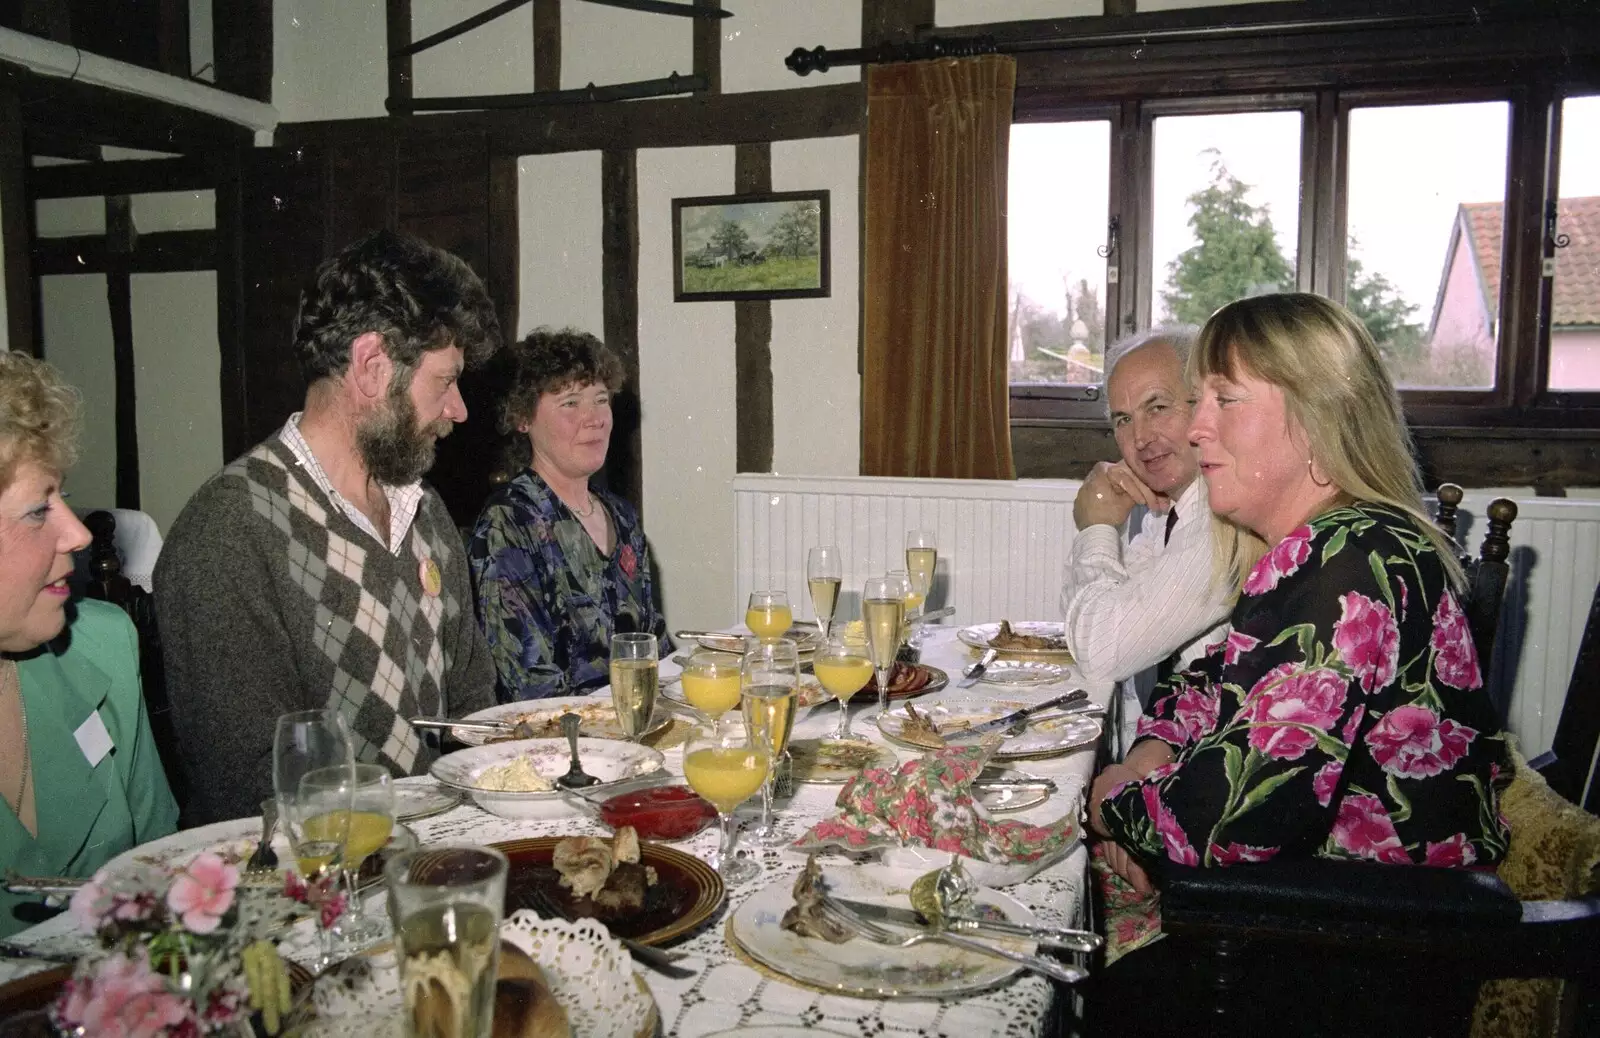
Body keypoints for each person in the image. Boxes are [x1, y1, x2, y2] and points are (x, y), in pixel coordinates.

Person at [1090, 293, 1511, 899]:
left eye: (1224, 400)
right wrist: (1142, 765)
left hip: (1363, 932)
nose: (1197, 426)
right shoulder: (1313, 545)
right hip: (1310, 901)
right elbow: (1210, 682)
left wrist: (1111, 805)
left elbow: (1225, 819)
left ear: (1317, 419)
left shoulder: (1352, 561)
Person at [156, 230, 501, 824]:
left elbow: (472, 710)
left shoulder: (426, 513)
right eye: (445, 381)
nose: (459, 410)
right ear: (371, 367)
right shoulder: (228, 533)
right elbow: (252, 792)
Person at [0, 353, 177, 936]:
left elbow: (162, 872)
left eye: (62, 497)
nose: (77, 532)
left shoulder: (99, 645)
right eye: (36, 510)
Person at [469, 328, 670, 701]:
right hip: (560, 744)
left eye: (600, 399)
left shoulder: (621, 516)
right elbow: (530, 687)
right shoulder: (510, 522)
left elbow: (655, 648)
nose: (594, 418)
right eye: (570, 403)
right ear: (523, 418)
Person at [1062, 327, 1234, 693]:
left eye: (1156, 407)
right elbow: (1091, 615)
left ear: (1204, 406)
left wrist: (1096, 529)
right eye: (1123, 419)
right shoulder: (1171, 508)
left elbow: (1100, 651)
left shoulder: (1220, 518)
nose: (1140, 438)